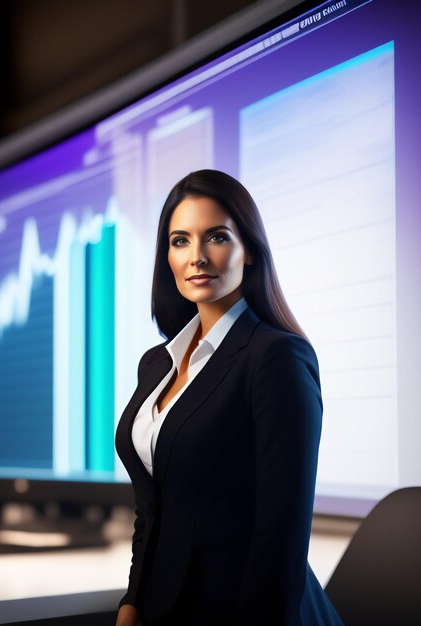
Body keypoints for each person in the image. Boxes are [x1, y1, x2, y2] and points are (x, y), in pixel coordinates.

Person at [114, 170, 344, 625]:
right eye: (180, 241)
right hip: (170, 606)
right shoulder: (157, 364)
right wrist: (133, 602)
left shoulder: (276, 358)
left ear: (250, 251)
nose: (197, 257)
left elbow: (282, 535)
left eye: (216, 237)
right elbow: (152, 509)